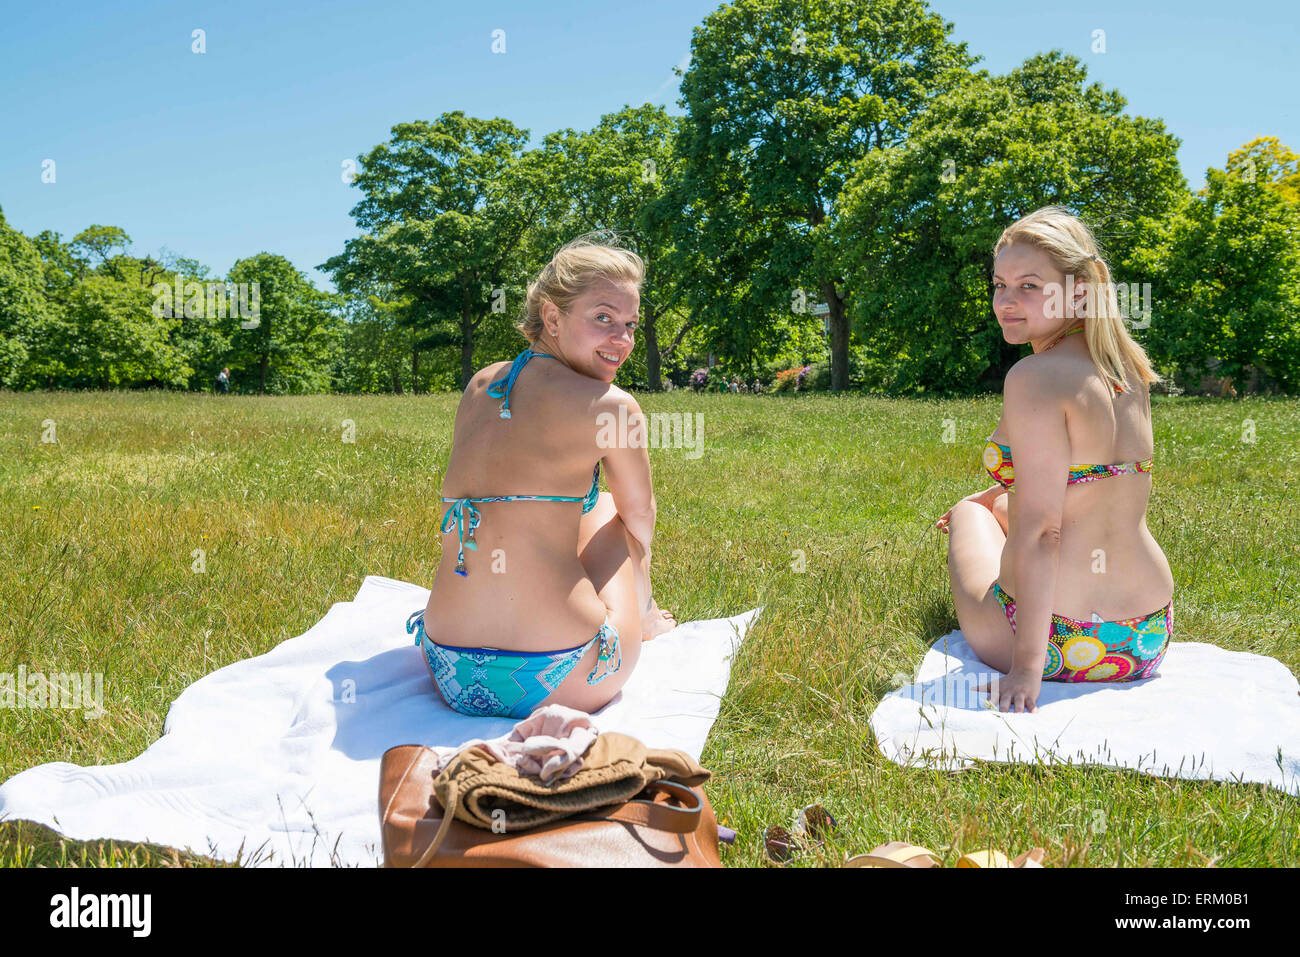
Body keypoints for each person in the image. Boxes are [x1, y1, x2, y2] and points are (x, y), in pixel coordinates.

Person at [406, 235, 676, 719]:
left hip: (447, 667)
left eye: (630, 325)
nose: (622, 340)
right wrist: (642, 605)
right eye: (603, 319)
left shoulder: (482, 384)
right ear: (552, 318)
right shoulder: (612, 407)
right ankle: (648, 616)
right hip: (567, 673)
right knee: (616, 508)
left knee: (573, 506)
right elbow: (641, 518)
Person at [936, 206, 1173, 714]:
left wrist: (1025, 667)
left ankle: (1027, 643)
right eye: (1000, 285)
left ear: (1078, 292)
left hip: (1055, 645)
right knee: (998, 507)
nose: (1006, 301)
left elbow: (1045, 531)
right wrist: (1003, 494)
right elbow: (1088, 481)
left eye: (1029, 286)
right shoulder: (1126, 368)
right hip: (1147, 635)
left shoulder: (1034, 377)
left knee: (969, 513)